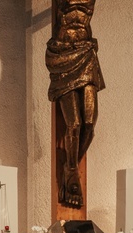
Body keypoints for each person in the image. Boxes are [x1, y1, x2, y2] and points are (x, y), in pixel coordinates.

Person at [45, 0, 105, 208]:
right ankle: (71, 171)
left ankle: (71, 166)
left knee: (90, 122)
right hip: (63, 54)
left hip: (87, 55)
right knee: (75, 124)